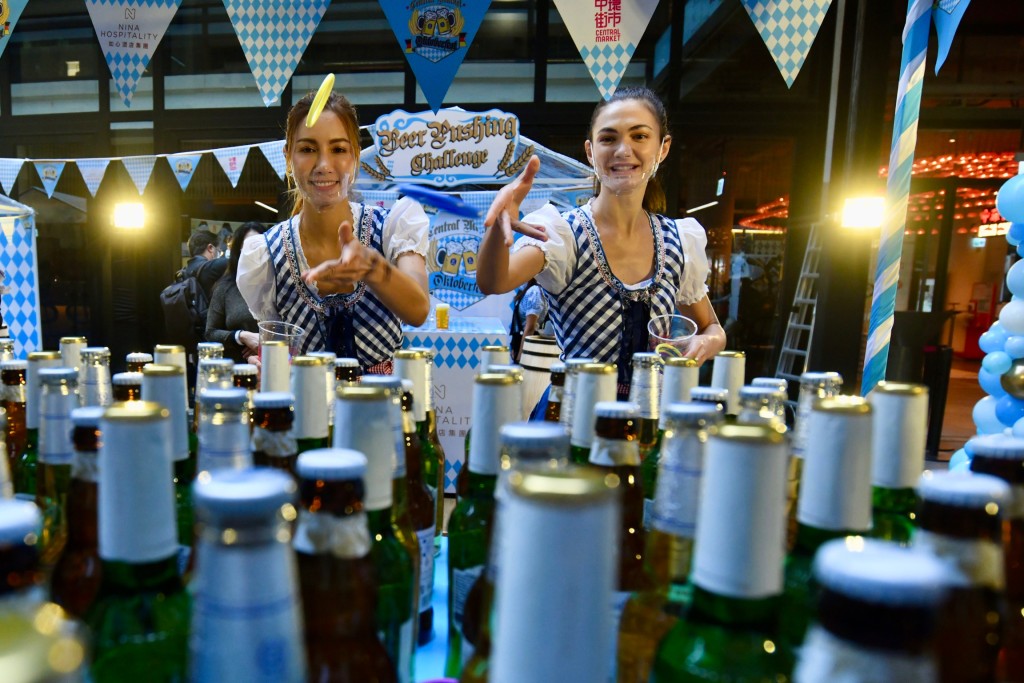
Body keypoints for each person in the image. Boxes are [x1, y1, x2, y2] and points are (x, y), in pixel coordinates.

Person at [477, 86, 726, 402]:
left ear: (663, 148)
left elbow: (713, 328)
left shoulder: (678, 241)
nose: (623, 150)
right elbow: (492, 281)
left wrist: (706, 344)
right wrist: (499, 227)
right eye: (608, 138)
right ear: (590, 151)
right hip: (572, 421)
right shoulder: (563, 234)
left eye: (639, 136)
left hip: (648, 424)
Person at [237, 89, 430, 374]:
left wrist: (372, 268)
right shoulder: (265, 255)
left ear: (355, 156)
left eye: (338, 149)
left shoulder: (391, 227)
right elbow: (277, 356)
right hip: (308, 410)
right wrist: (270, 366)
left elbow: (418, 309)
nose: (324, 165)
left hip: (383, 410)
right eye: (307, 149)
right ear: (288, 157)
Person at [205, 222, 268, 364]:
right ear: (238, 251)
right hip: (236, 370)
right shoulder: (225, 288)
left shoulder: (280, 285)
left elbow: (294, 328)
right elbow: (210, 332)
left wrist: (263, 343)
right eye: (247, 246)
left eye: (258, 245)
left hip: (276, 366)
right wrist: (242, 336)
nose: (254, 252)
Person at [185, 230, 229, 302]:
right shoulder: (208, 268)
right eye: (218, 251)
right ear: (210, 248)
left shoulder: (186, 270)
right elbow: (236, 261)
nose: (219, 254)